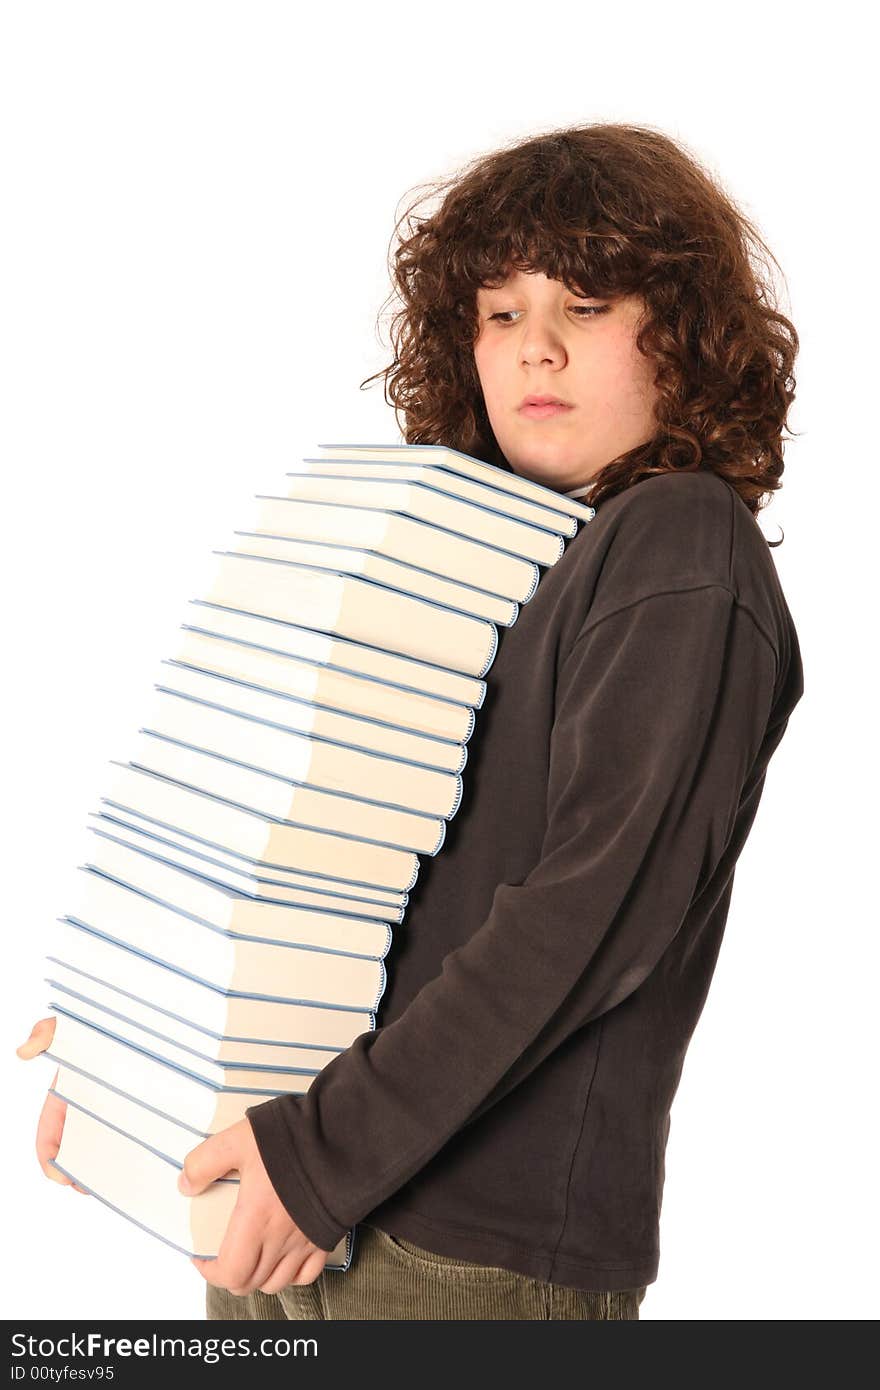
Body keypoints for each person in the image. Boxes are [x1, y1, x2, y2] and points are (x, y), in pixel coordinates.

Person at [17, 122, 805, 1321]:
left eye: (584, 305)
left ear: (681, 336)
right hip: (305, 1197)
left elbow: (588, 912)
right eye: (499, 314)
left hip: (461, 1252)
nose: (533, 349)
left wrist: (322, 1155)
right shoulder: (476, 559)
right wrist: (143, 1057)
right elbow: (300, 833)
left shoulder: (678, 541)